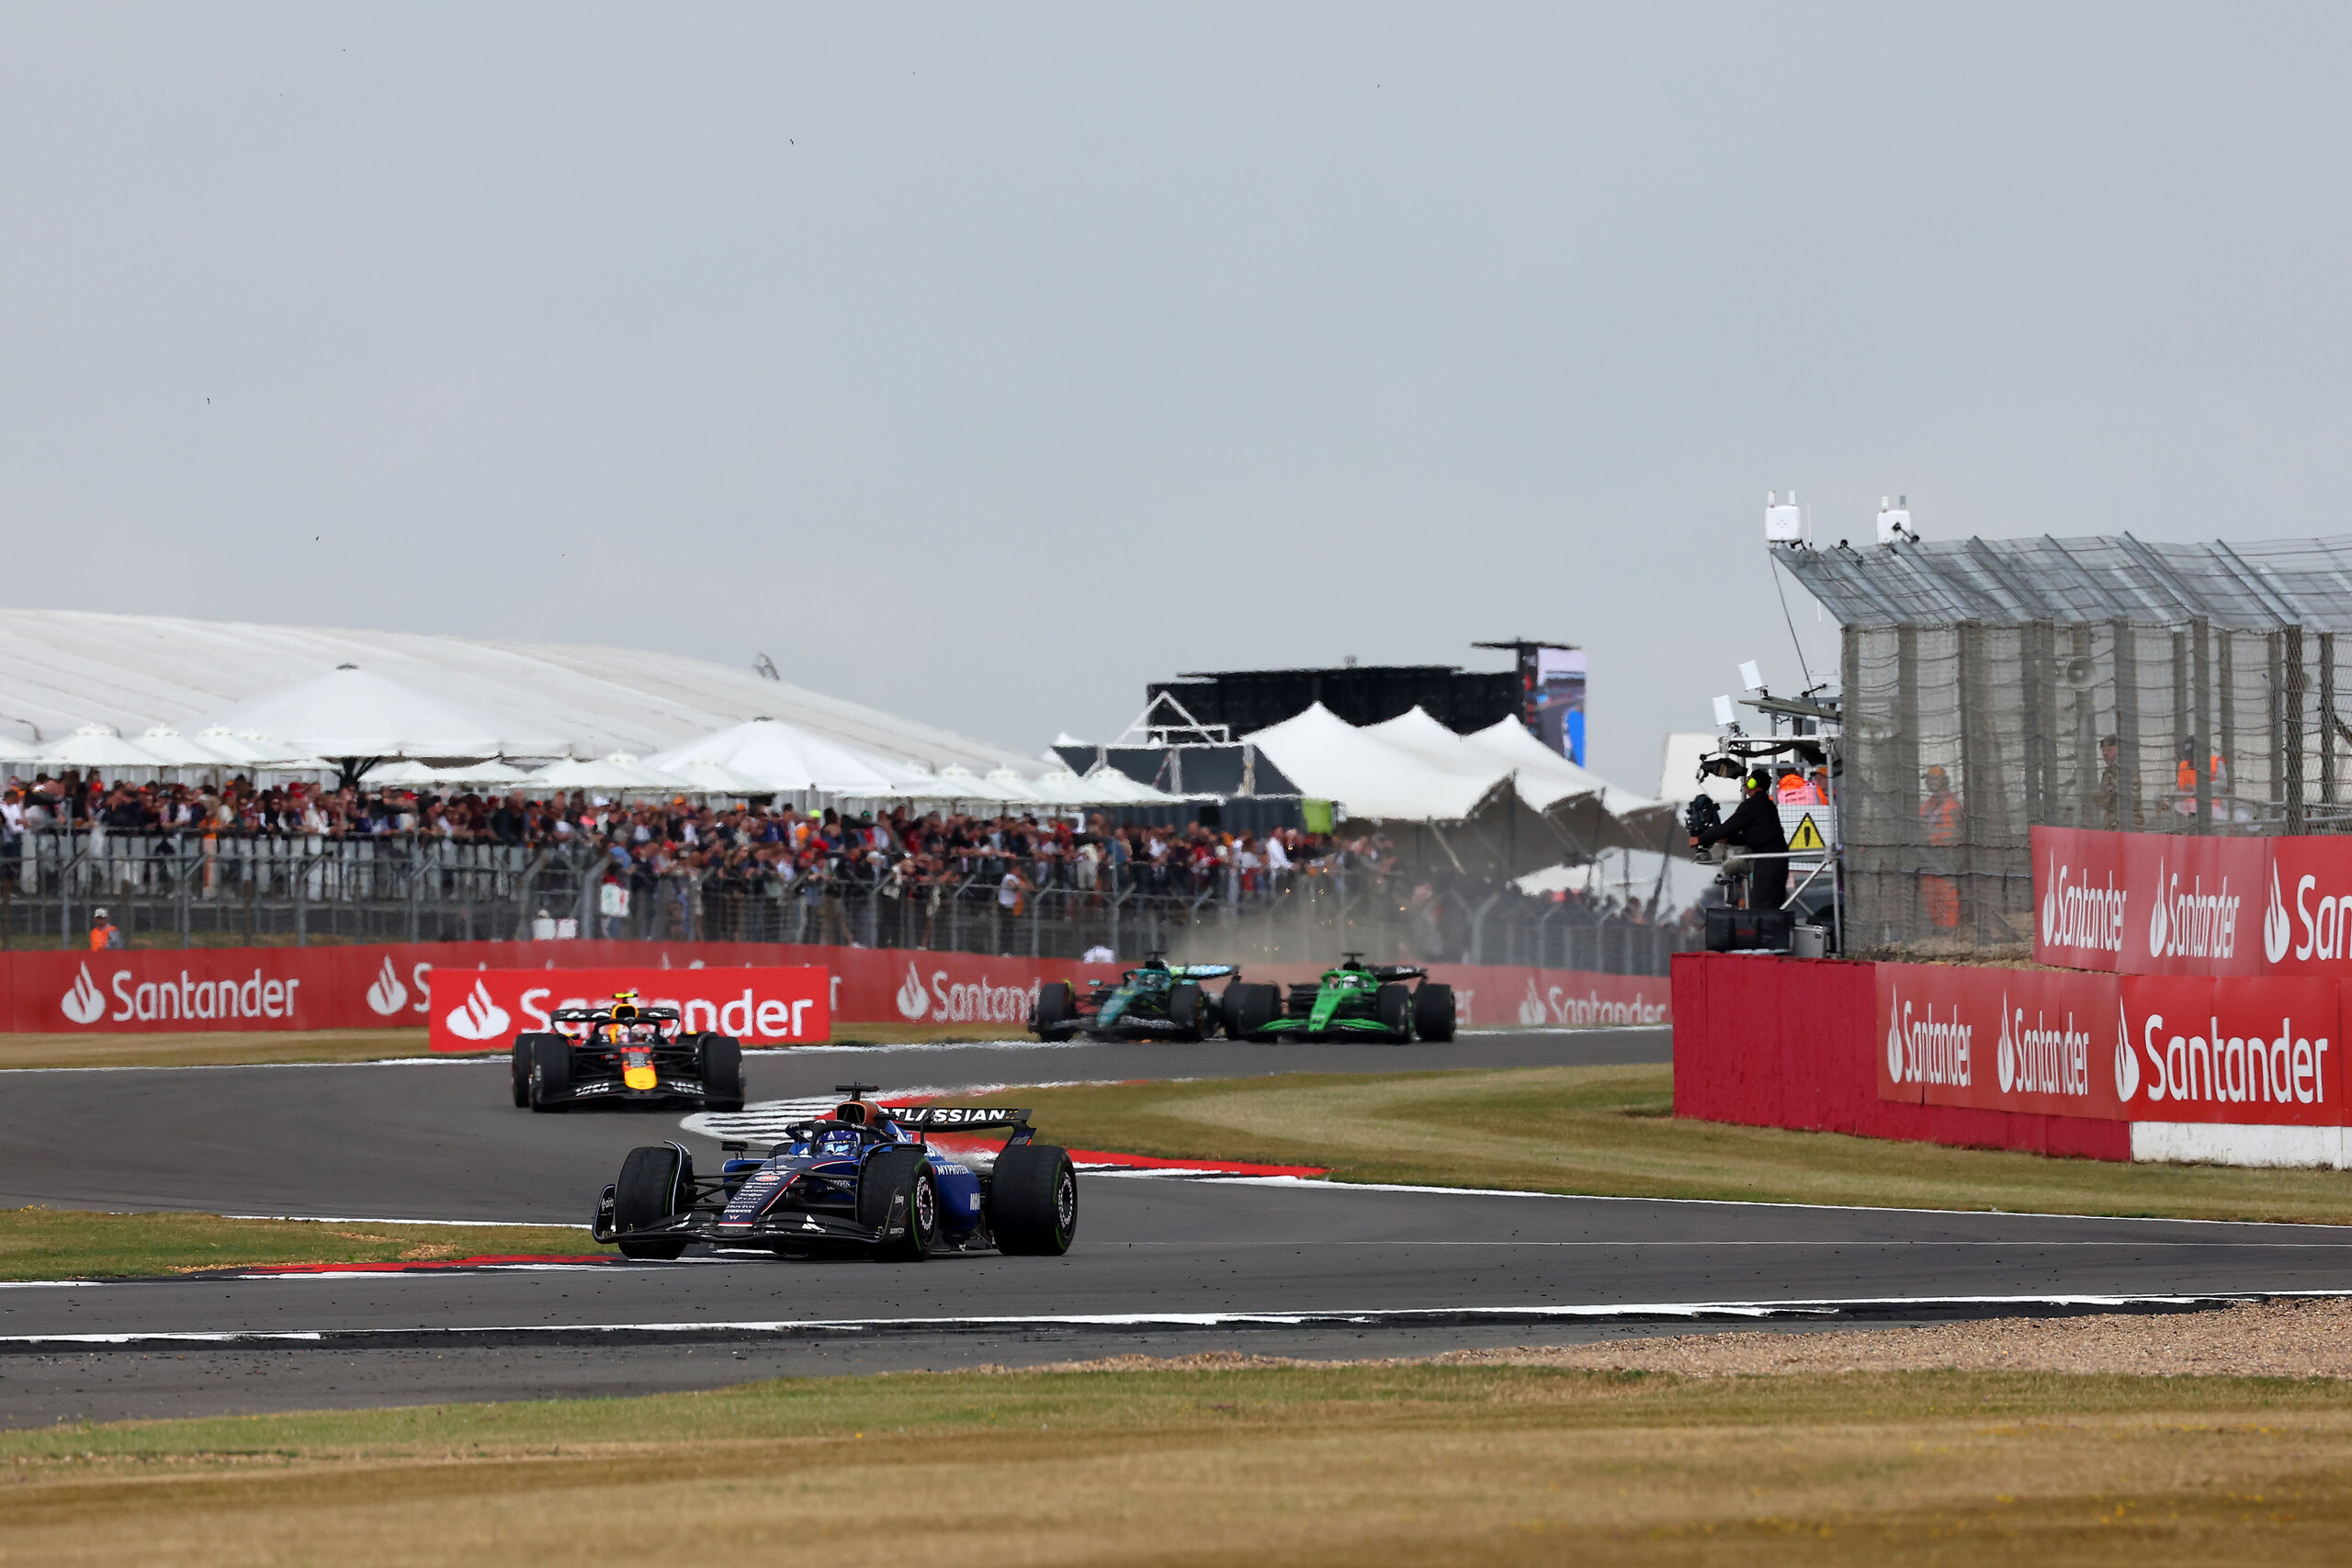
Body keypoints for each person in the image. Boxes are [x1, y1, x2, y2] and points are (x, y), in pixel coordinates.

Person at [1692, 770, 1789, 912]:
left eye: (1749, 780)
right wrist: (1728, 839)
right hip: (1774, 860)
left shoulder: (1752, 805)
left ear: (1754, 783)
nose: (1746, 783)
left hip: (1770, 861)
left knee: (1763, 905)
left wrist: (1700, 839)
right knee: (1769, 903)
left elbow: (1728, 827)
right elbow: (1752, 837)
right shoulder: (1766, 804)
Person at [1919, 766, 1962, 930]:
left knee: (1947, 892)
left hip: (1947, 854)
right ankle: (1937, 929)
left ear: (1943, 782)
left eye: (1934, 779)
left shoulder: (1952, 805)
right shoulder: (1926, 806)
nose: (1929, 782)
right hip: (1928, 854)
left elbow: (1957, 832)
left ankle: (1949, 929)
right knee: (1931, 893)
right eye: (1928, 779)